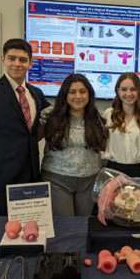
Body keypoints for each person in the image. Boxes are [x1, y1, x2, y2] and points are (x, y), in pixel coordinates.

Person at [0, 39, 51, 216]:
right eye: (12, 58)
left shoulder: (36, 94)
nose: (17, 64)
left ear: (30, 63)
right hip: (2, 178)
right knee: (2, 230)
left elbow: (53, 116)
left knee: (32, 228)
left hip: (32, 176)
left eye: (23, 60)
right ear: (3, 60)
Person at [39, 74, 108, 217]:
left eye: (82, 91)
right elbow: (30, 141)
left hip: (89, 180)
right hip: (57, 180)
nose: (78, 96)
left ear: (89, 93)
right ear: (65, 94)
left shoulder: (98, 117)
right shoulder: (49, 115)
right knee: (66, 226)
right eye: (72, 92)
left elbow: (105, 146)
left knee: (83, 224)